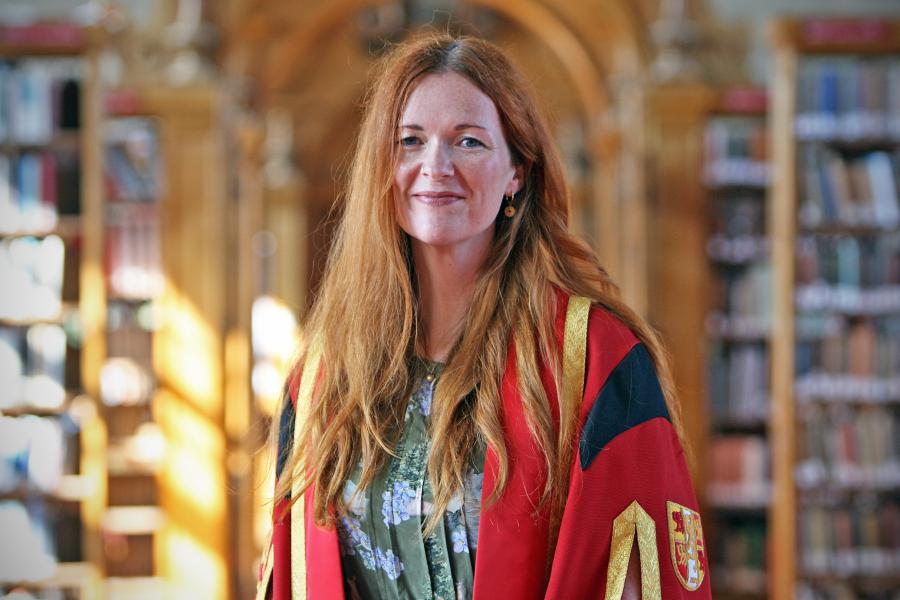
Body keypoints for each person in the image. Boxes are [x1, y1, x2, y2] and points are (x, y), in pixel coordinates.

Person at [257, 33, 710, 600]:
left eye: (468, 141)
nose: (435, 166)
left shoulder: (594, 359)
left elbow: (645, 583)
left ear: (517, 171)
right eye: (409, 141)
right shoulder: (325, 374)